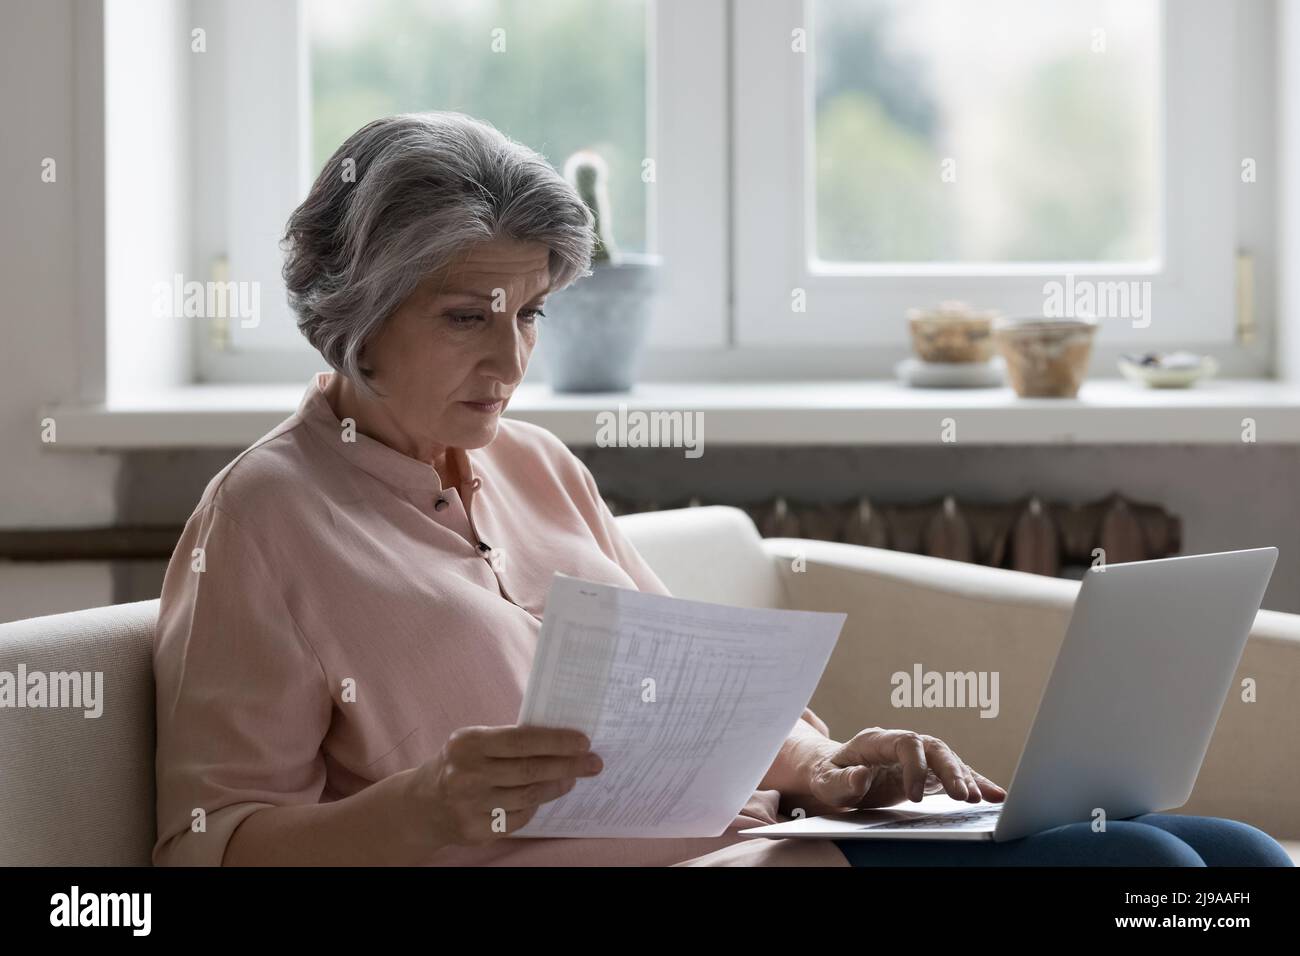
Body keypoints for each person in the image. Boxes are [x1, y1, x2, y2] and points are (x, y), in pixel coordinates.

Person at [151, 111, 1290, 868]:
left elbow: (702, 709)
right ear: (353, 313)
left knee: (1235, 856)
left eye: (530, 313)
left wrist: (822, 765)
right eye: (465, 316)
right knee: (1143, 869)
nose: (510, 362)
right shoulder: (261, 519)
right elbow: (203, 842)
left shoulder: (538, 465)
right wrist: (427, 805)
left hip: (772, 847)